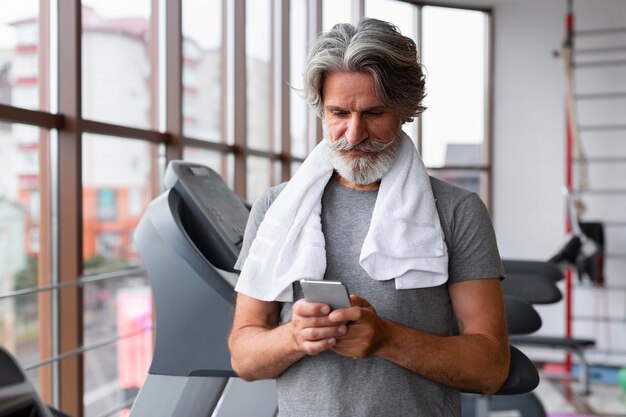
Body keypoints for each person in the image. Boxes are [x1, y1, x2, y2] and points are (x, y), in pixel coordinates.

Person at [228, 17, 510, 417]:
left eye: (374, 113)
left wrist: (385, 339)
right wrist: (295, 336)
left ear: (404, 111)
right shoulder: (277, 209)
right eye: (338, 112)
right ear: (321, 111)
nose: (354, 133)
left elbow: (491, 368)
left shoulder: (457, 211)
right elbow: (243, 357)